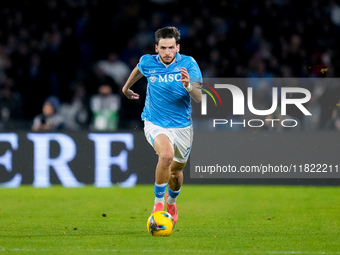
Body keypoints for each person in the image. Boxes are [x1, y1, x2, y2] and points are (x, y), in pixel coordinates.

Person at [122, 26, 202, 225]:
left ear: (178, 47)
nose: (167, 52)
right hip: (154, 121)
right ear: (156, 47)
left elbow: (200, 98)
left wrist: (188, 86)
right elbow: (139, 70)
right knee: (165, 155)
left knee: (176, 172)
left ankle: (171, 201)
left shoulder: (189, 64)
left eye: (171, 48)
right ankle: (158, 204)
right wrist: (126, 88)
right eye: (163, 48)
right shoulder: (148, 61)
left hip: (182, 125)